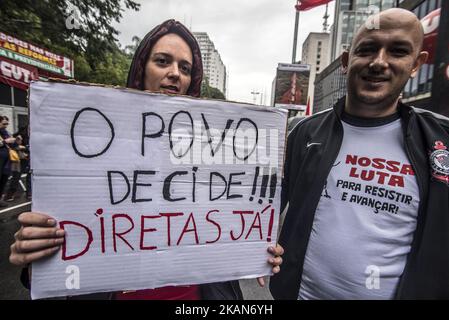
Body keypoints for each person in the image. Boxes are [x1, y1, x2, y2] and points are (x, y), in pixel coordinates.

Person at [9, 19, 283, 300]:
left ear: (192, 80)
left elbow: (230, 226)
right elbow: (67, 246)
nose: (175, 73)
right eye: (162, 61)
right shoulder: (95, 146)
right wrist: (37, 257)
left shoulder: (216, 153)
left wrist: (254, 251)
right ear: (142, 69)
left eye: (185, 68)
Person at [270, 8, 449, 300]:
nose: (379, 62)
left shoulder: (440, 141)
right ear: (346, 60)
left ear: (417, 64)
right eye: (367, 50)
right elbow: (263, 206)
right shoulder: (305, 133)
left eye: (397, 51)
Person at [0, 115, 16, 207]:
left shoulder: (6, 132)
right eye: (4, 124)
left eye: (7, 124)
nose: (6, 126)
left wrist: (15, 141)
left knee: (3, 180)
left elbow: (12, 145)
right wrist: (6, 141)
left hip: (6, 162)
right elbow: (5, 142)